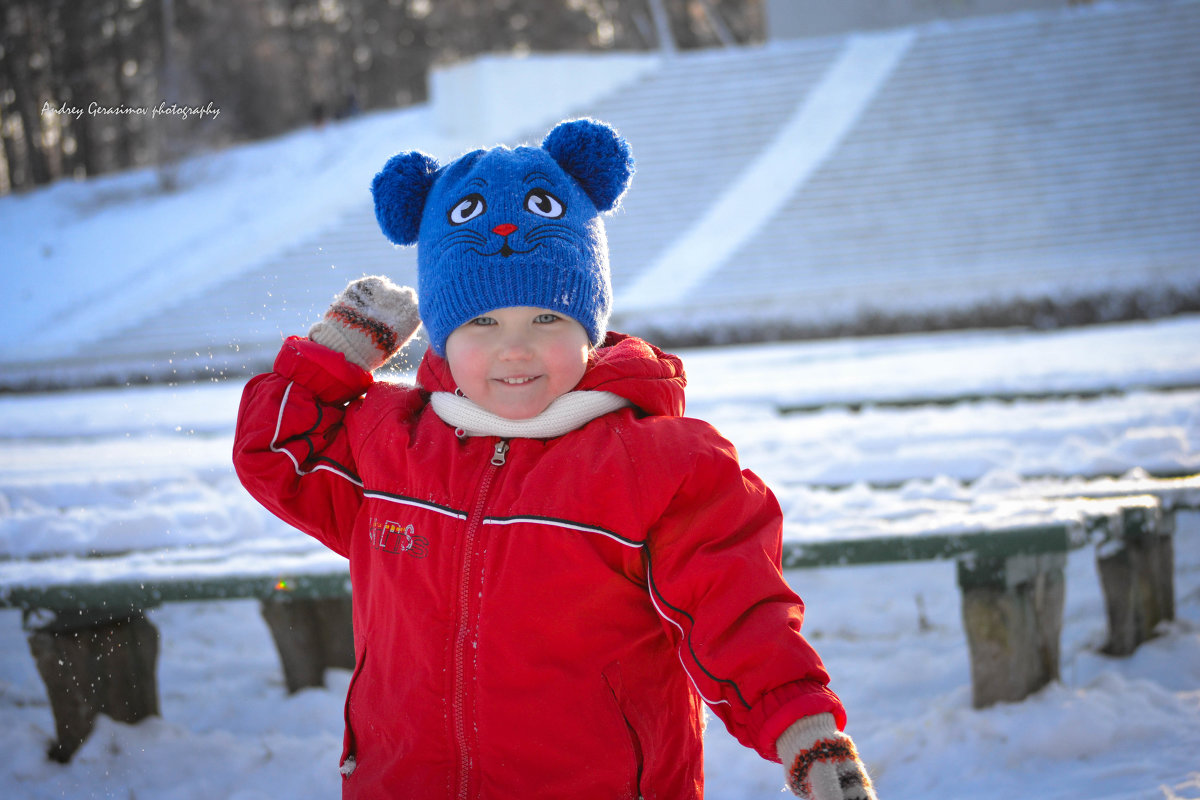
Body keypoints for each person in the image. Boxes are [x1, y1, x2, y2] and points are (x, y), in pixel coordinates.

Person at [233, 118, 876, 799]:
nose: (515, 350)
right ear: (443, 339)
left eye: (546, 320)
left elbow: (736, 608)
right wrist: (340, 350)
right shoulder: (392, 443)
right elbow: (276, 455)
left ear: (589, 327)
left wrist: (802, 727)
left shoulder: (662, 467)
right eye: (481, 324)